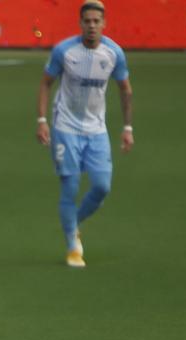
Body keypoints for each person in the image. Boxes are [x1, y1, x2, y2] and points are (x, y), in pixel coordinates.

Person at [36, 1, 134, 268]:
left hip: (96, 129)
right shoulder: (64, 51)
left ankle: (73, 223)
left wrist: (127, 128)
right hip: (65, 128)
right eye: (87, 21)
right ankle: (72, 247)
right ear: (80, 24)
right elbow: (46, 84)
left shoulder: (114, 53)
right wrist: (42, 120)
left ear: (104, 24)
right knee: (70, 185)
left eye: (96, 21)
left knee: (102, 186)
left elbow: (125, 89)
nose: (92, 25)